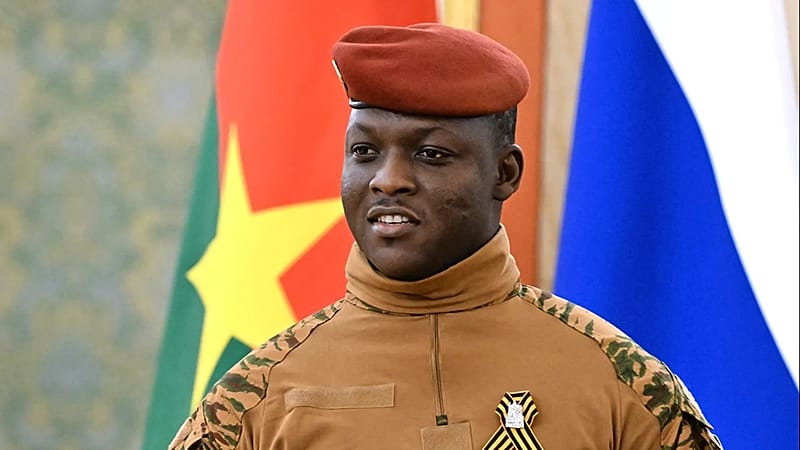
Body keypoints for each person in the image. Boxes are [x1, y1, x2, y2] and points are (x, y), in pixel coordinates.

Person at [168, 23, 722, 450]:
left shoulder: (619, 382)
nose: (387, 179)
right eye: (365, 152)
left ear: (504, 173)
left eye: (430, 154)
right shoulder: (255, 400)